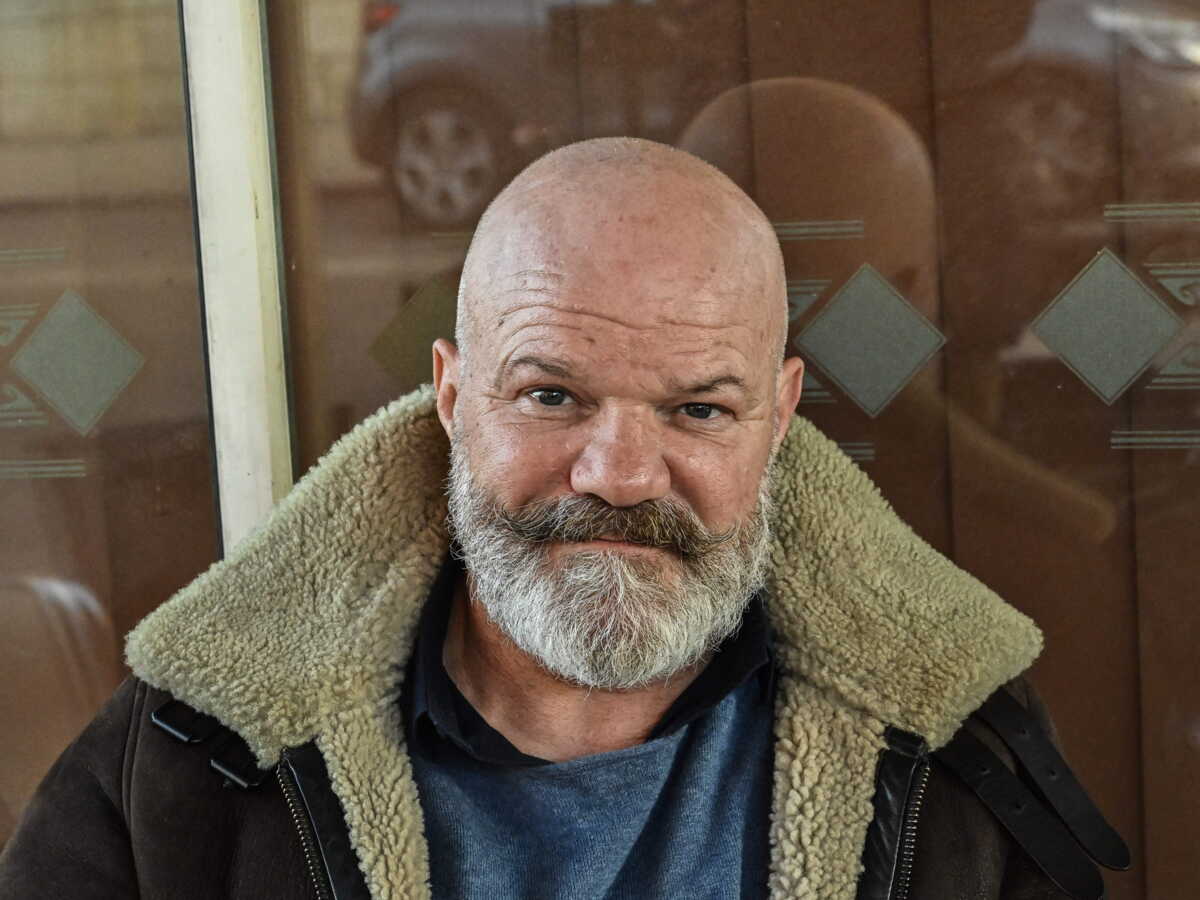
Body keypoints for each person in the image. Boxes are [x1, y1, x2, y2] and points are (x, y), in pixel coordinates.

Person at [0, 138, 1126, 899]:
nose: (621, 475)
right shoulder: (198, 748)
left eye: (697, 409)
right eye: (551, 396)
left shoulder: (956, 747)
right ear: (452, 396)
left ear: (779, 419)